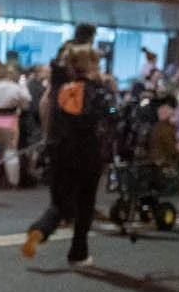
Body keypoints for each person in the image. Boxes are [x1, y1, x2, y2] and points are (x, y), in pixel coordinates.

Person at [23, 42, 113, 266]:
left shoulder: (60, 88)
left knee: (60, 202)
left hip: (61, 151)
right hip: (88, 152)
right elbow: (111, 114)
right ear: (90, 64)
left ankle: (40, 230)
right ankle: (78, 252)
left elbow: (47, 112)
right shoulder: (97, 90)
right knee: (85, 204)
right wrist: (111, 99)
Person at [0, 61, 30, 189]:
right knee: (10, 150)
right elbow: (26, 100)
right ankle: (13, 181)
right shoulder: (14, 87)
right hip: (10, 120)